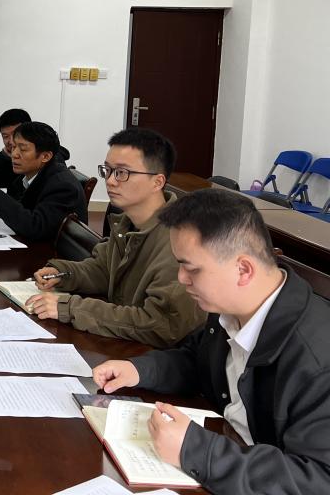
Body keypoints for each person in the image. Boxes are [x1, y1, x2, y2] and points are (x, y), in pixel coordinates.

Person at [92, 189, 330, 495]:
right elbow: (197, 358)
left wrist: (196, 450)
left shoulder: (316, 358)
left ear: (243, 270)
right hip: (228, 454)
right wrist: (139, 370)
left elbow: (318, 480)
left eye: (191, 268)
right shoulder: (230, 307)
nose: (181, 278)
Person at [26, 128, 204, 347]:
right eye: (107, 170)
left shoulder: (180, 241)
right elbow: (104, 270)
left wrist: (69, 308)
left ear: (157, 182)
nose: (110, 181)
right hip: (128, 344)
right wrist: (64, 274)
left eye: (122, 173)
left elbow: (161, 324)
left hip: (159, 357)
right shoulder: (127, 223)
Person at [0, 121, 86, 242]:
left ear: (45, 156)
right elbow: (20, 208)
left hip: (51, 252)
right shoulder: (27, 176)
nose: (14, 154)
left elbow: (36, 228)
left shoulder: (62, 186)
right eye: (13, 147)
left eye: (22, 149)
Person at [0, 108, 32, 188]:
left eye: (15, 134)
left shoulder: (42, 159)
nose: (11, 141)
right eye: (5, 136)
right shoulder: (1, 163)